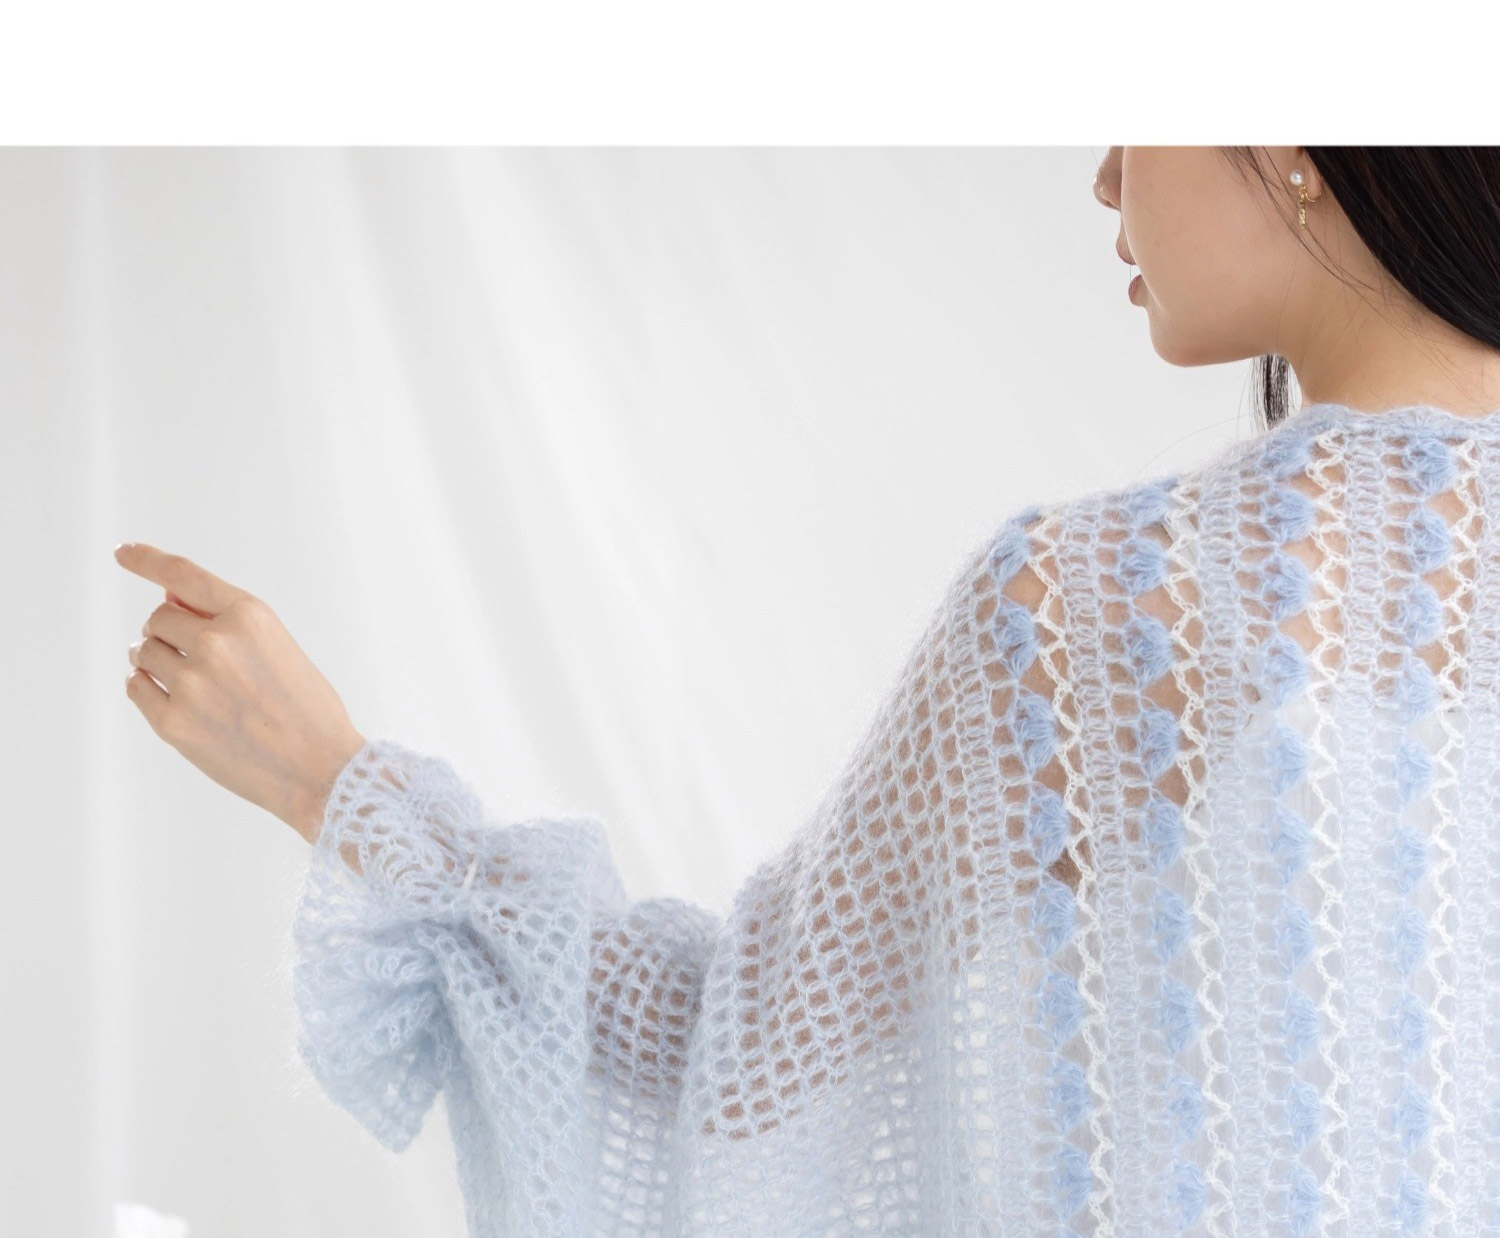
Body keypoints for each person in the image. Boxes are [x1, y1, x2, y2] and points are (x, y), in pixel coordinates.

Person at [123, 147, 1500, 1235]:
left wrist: (333, 781)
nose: (1103, 177)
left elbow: (731, 1075)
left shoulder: (1118, 607)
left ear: (1295, 136)